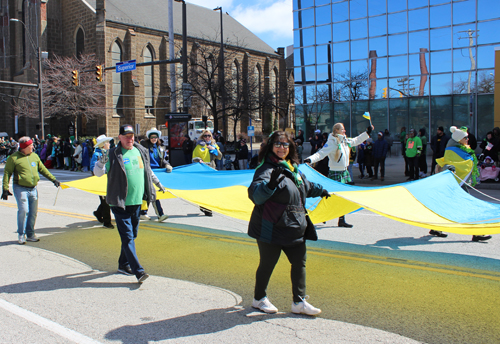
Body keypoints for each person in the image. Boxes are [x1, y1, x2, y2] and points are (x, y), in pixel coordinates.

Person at [248, 130, 329, 315]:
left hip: (294, 227)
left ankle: (298, 302)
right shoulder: (266, 170)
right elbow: (256, 195)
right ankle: (259, 299)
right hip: (271, 228)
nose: (281, 148)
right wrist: (269, 186)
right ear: (270, 147)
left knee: (299, 263)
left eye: (285, 144)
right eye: (277, 144)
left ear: (290, 147)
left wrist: (322, 190)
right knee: (267, 264)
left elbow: (305, 186)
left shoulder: (293, 169)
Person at [94, 124, 167, 283]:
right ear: (119, 137)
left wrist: (158, 183)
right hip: (119, 203)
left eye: (132, 136)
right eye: (126, 136)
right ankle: (138, 271)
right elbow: (98, 173)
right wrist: (101, 162)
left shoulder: (140, 150)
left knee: (132, 235)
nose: (130, 139)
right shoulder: (112, 154)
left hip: (136, 202)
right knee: (128, 238)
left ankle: (123, 264)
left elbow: (148, 170)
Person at [305, 123, 373, 228]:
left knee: (343, 197)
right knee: (330, 197)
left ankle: (341, 220)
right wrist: (310, 159)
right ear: (336, 130)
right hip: (335, 172)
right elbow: (321, 153)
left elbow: (356, 140)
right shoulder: (332, 142)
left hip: (344, 172)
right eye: (343, 129)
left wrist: (367, 132)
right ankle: (322, 214)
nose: (344, 131)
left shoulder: (345, 140)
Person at [434, 126, 492, 242]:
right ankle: (476, 233)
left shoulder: (464, 149)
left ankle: (435, 228)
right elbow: (445, 164)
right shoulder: (451, 150)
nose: (467, 139)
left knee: (447, 206)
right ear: (459, 139)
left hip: (460, 182)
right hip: (456, 182)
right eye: (465, 137)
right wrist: (450, 168)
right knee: (468, 206)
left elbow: (467, 162)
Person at [2, 136, 60, 244]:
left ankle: (30, 234)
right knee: (24, 210)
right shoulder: (14, 158)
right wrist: (5, 188)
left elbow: (43, 169)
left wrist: (54, 180)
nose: (32, 147)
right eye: (30, 145)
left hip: (33, 188)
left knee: (33, 212)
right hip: (20, 188)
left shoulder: (35, 156)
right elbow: (7, 173)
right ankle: (21, 234)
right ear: (24, 147)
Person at [139, 128, 172, 222]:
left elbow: (161, 159)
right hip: (148, 172)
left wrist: (167, 164)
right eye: (152, 137)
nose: (154, 139)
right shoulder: (144, 147)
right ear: (149, 138)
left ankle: (143, 212)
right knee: (153, 193)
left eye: (156, 137)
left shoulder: (158, 148)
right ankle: (160, 214)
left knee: (149, 193)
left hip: (157, 172)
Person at [192, 129, 221, 216]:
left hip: (212, 170)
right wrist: (199, 160)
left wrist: (214, 150)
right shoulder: (199, 146)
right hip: (203, 170)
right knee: (204, 189)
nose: (207, 137)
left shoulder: (214, 145)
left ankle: (208, 207)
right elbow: (194, 158)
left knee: (211, 190)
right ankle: (205, 207)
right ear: (203, 137)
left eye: (209, 136)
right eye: (205, 136)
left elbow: (220, 156)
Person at [90, 135, 114, 229]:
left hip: (109, 180)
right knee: (105, 201)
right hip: (100, 181)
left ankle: (98, 212)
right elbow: (93, 168)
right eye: (107, 142)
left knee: (108, 200)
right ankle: (107, 222)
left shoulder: (110, 153)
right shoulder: (97, 155)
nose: (109, 144)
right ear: (103, 145)